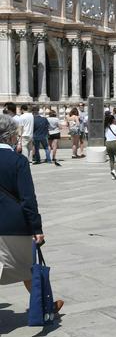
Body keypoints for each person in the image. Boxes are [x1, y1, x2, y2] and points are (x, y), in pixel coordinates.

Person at [0, 114, 64, 320]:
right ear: (10, 136)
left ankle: (48, 303)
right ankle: (46, 304)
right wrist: (36, 227)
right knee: (28, 268)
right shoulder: (17, 160)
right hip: (13, 225)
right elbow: (28, 198)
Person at [104, 112, 116, 179]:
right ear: (113, 120)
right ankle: (114, 170)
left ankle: (113, 174)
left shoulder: (106, 128)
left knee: (111, 159)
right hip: (115, 143)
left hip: (107, 143)